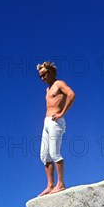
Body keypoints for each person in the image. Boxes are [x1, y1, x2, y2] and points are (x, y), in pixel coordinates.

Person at [37, 61, 76, 196]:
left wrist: (62, 113)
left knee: (54, 153)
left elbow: (71, 94)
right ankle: (50, 185)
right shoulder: (47, 90)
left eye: (44, 74)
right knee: (44, 155)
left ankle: (61, 183)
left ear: (51, 72)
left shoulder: (59, 84)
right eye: (40, 76)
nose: (42, 78)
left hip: (56, 121)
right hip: (47, 122)